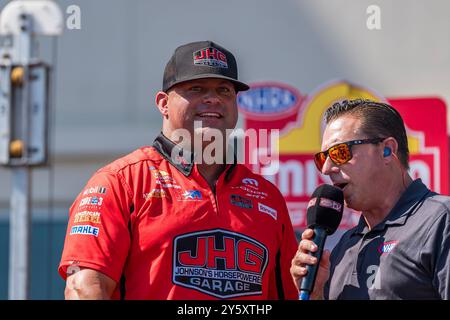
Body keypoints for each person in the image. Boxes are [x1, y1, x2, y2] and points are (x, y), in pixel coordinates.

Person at [59, 40, 299, 300]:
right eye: (196, 88)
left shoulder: (267, 197)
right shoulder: (120, 182)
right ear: (163, 103)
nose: (213, 98)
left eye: (224, 90)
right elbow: (83, 288)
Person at [291, 99, 450, 300]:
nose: (326, 169)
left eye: (340, 153)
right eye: (323, 158)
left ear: (387, 150)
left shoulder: (440, 221)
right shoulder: (342, 247)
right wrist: (316, 295)